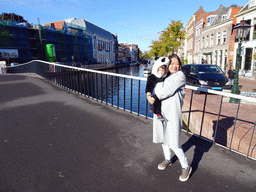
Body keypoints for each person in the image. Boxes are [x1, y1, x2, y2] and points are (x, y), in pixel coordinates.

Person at [147, 54, 192, 182]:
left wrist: (153, 97)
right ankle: (168, 159)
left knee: (174, 142)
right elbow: (153, 83)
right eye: (171, 63)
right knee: (163, 138)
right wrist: (148, 92)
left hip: (172, 114)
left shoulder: (180, 76)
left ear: (180, 65)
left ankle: (185, 166)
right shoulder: (165, 76)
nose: (174, 66)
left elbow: (167, 90)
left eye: (176, 63)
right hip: (161, 112)